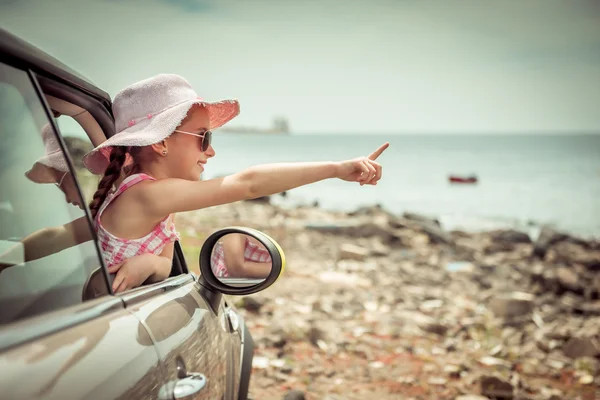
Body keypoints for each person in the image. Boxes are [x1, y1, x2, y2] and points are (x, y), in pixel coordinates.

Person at [82, 73, 388, 276]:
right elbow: (249, 184)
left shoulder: (156, 199)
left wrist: (151, 264)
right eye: (204, 137)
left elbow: (163, 266)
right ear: (161, 142)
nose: (211, 152)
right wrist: (336, 169)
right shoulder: (147, 195)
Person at [0, 124, 172, 294]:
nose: (67, 199)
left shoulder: (150, 205)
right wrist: (4, 261)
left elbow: (166, 262)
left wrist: (150, 263)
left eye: (61, 183)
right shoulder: (108, 216)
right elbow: (52, 237)